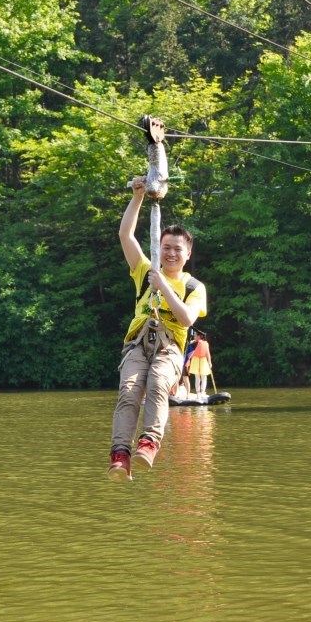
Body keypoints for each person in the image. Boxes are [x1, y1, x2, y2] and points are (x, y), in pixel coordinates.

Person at [108, 179, 207, 481]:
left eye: (177, 249)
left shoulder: (193, 286)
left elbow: (188, 319)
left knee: (159, 385)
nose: (170, 254)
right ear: (159, 249)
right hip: (138, 343)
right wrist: (137, 197)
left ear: (187, 254)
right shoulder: (145, 271)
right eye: (165, 248)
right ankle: (120, 454)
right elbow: (126, 235)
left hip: (169, 348)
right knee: (128, 392)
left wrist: (163, 286)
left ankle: (149, 442)